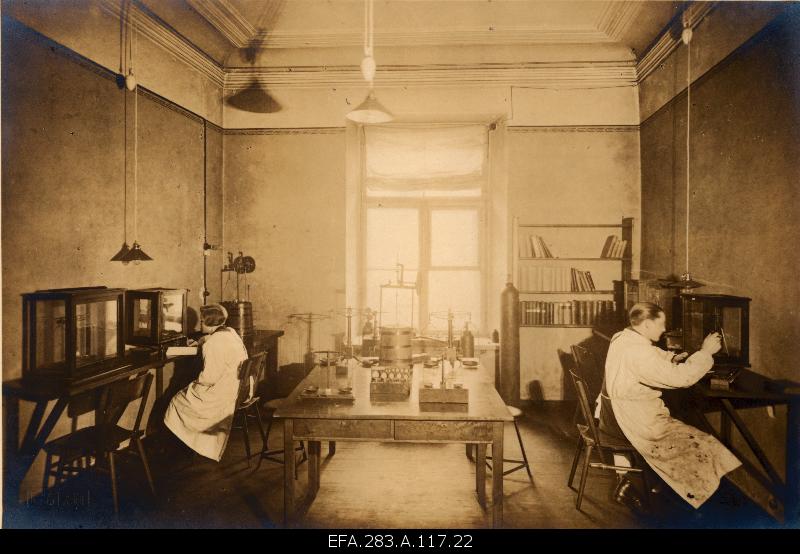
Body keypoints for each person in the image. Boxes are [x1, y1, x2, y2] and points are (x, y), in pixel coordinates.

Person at [603, 302, 741, 510]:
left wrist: (672, 357)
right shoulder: (639, 353)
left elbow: (650, 355)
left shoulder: (623, 338)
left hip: (611, 414)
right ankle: (689, 501)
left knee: (688, 431)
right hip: (634, 421)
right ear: (647, 325)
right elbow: (681, 378)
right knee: (703, 443)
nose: (664, 329)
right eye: (661, 324)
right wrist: (705, 352)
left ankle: (664, 487)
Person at [164, 303, 249, 461]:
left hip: (221, 393)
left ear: (210, 323)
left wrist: (194, 382)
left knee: (176, 400)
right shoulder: (230, 332)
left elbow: (208, 378)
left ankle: (184, 448)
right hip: (237, 388)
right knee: (184, 391)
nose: (199, 324)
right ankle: (190, 443)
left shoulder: (213, 343)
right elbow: (215, 342)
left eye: (202, 321)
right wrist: (202, 341)